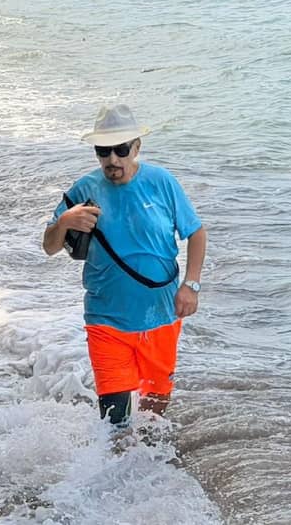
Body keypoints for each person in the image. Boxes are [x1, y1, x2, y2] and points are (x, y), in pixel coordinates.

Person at [42, 104, 207, 428]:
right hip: (106, 318)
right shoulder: (83, 190)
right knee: (115, 420)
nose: (113, 160)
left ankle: (149, 474)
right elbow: (49, 247)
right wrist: (64, 222)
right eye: (104, 151)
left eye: (120, 149)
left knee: (153, 417)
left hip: (160, 315)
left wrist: (191, 285)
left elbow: (196, 233)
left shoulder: (162, 182)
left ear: (136, 147)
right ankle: (114, 475)